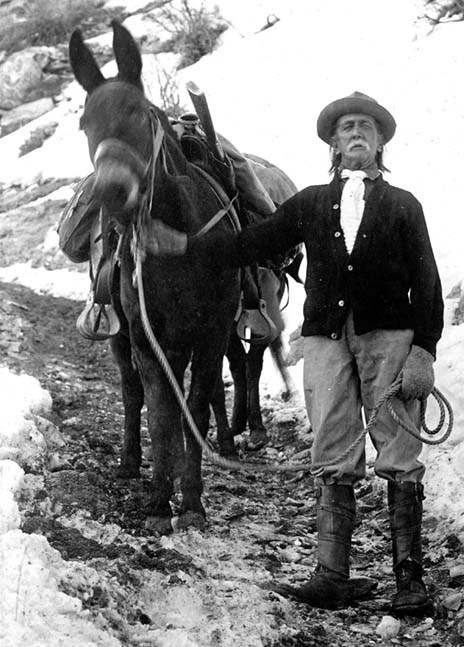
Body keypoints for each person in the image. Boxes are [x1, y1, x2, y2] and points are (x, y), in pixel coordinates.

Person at [149, 91, 444, 617]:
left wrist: (423, 352)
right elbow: (252, 243)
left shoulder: (405, 206)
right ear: (333, 143)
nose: (356, 133)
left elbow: (427, 284)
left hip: (390, 341)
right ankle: (331, 575)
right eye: (347, 127)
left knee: (398, 452)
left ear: (379, 143)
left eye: (366, 128)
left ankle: (409, 580)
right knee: (332, 448)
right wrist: (186, 248)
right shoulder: (308, 202)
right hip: (326, 342)